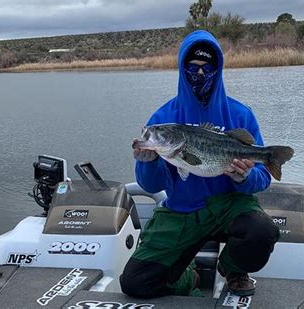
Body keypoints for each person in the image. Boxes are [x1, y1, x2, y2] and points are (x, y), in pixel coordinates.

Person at [120, 30, 279, 298]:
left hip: (230, 205)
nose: (200, 74)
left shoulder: (240, 114)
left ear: (218, 69)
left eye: (208, 68)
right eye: (193, 68)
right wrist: (147, 163)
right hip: (182, 209)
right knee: (135, 283)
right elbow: (151, 184)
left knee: (261, 231)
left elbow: (262, 178)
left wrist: (244, 178)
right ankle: (187, 276)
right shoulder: (164, 116)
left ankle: (232, 268)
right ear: (182, 69)